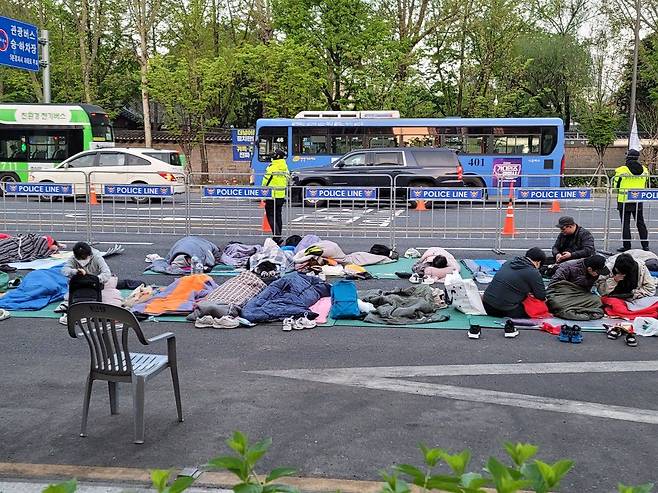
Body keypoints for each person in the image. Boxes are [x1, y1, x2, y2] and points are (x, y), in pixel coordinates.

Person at [482, 247, 546, 318]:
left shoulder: (508, 262)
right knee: (538, 307)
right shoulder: (533, 272)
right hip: (503, 310)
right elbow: (541, 296)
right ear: (538, 262)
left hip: (486, 305)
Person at [58, 242, 112, 324]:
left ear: (89, 254)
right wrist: (75, 272)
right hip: (79, 285)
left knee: (108, 295)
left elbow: (107, 273)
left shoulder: (97, 257)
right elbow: (64, 270)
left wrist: (94, 279)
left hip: (95, 284)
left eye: (84, 257)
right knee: (68, 298)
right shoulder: (73, 258)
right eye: (80, 258)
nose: (82, 260)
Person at [612, 149, 649, 252]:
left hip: (624, 201)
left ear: (627, 157)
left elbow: (616, 185)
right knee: (640, 223)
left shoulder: (622, 170)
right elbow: (646, 184)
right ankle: (645, 245)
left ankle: (627, 246)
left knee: (625, 224)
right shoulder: (645, 170)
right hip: (638, 200)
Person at [261, 148, 289, 244]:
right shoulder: (285, 167)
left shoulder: (272, 167)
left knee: (270, 215)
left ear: (277, 156)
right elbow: (287, 180)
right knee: (278, 216)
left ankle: (276, 236)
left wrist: (262, 192)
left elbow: (265, 181)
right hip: (281, 195)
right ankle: (278, 235)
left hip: (271, 195)